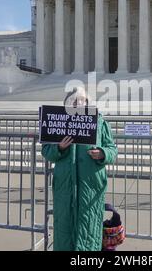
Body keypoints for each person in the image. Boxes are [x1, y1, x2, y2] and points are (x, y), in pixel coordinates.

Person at [42, 87, 118, 251]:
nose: (79, 103)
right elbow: (47, 151)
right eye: (75, 101)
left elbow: (112, 149)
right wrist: (59, 148)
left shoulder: (99, 122)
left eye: (83, 100)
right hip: (65, 186)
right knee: (64, 227)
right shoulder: (58, 121)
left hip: (90, 186)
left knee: (89, 227)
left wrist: (103, 154)